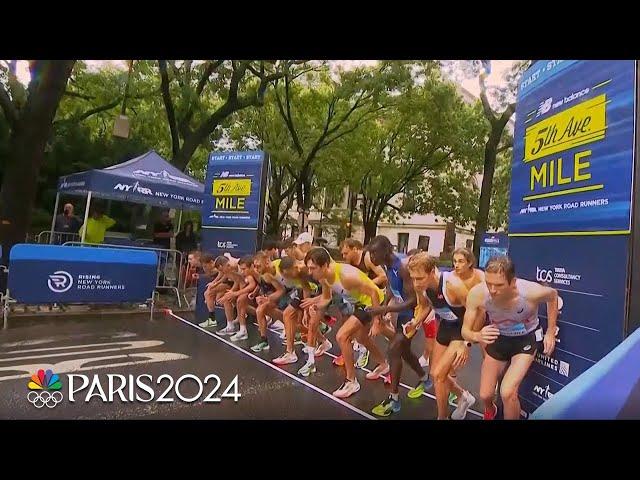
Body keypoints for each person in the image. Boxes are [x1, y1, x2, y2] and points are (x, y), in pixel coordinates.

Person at [462, 255, 558, 420]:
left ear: (512, 282)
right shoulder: (477, 294)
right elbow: (465, 331)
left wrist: (550, 331)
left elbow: (553, 296)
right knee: (485, 394)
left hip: (525, 340)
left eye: (499, 285)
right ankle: (490, 410)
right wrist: (477, 335)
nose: (492, 290)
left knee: (507, 392)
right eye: (488, 283)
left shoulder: (530, 292)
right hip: (499, 338)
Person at [301, 247, 388, 398]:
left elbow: (374, 293)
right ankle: (383, 364)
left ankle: (351, 381)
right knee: (362, 338)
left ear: (325, 265)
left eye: (313, 268)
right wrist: (315, 306)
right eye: (309, 268)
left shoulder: (346, 276)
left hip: (374, 302)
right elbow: (326, 298)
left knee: (342, 336)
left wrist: (376, 320)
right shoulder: (324, 277)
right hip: (360, 303)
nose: (310, 272)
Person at [408, 249, 483, 420]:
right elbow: (427, 305)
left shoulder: (452, 285)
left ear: (433, 271)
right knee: (435, 374)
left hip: (461, 327)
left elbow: (479, 312)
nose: (416, 283)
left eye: (420, 278)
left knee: (440, 375)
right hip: (446, 325)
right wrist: (416, 321)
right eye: (413, 278)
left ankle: (442, 417)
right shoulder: (421, 286)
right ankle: (464, 396)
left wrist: (467, 342)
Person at [366, 236, 431, 417]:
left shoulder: (402, 268)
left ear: (386, 250)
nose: (371, 257)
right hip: (403, 314)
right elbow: (390, 287)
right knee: (403, 350)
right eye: (370, 252)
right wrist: (383, 305)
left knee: (394, 349)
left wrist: (384, 308)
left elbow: (412, 302)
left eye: (374, 252)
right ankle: (425, 378)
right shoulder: (387, 265)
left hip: (416, 313)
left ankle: (394, 399)